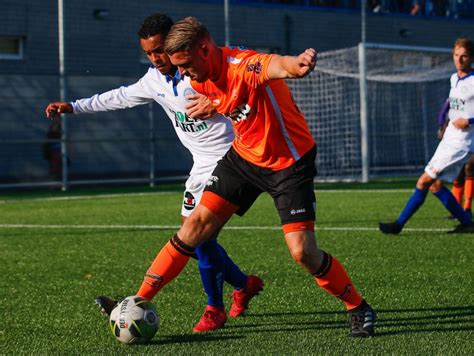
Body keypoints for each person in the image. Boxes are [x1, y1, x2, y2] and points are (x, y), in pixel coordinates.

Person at [106, 16, 377, 338]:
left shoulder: (243, 64)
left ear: (206, 49)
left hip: (289, 163)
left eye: (187, 64)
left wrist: (296, 65)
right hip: (243, 159)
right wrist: (214, 105)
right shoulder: (198, 78)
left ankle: (358, 308)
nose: (182, 73)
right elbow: (230, 101)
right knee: (193, 227)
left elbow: (275, 65)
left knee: (303, 252)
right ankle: (136, 301)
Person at [44, 13, 263, 333]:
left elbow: (246, 89)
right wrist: (75, 106)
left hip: (233, 158)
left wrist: (218, 103)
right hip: (200, 165)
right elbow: (118, 97)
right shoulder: (154, 80)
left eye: (159, 50)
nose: (155, 58)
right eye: (148, 53)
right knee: (197, 240)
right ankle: (243, 285)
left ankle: (215, 308)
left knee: (198, 238)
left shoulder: (204, 71)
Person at [379, 37, 474, 235]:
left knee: (424, 181)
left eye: (464, 56)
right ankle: (467, 221)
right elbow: (453, 105)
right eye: (456, 55)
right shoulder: (454, 78)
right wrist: (444, 121)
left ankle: (399, 224)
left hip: (462, 142)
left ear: (471, 58)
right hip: (450, 137)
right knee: (435, 185)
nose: (459, 59)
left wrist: (470, 121)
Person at [438, 99, 474, 219]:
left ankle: (467, 208)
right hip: (459, 136)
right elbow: (444, 111)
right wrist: (441, 126)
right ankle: (457, 209)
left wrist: (469, 121)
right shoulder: (457, 90)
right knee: (458, 173)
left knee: (469, 167)